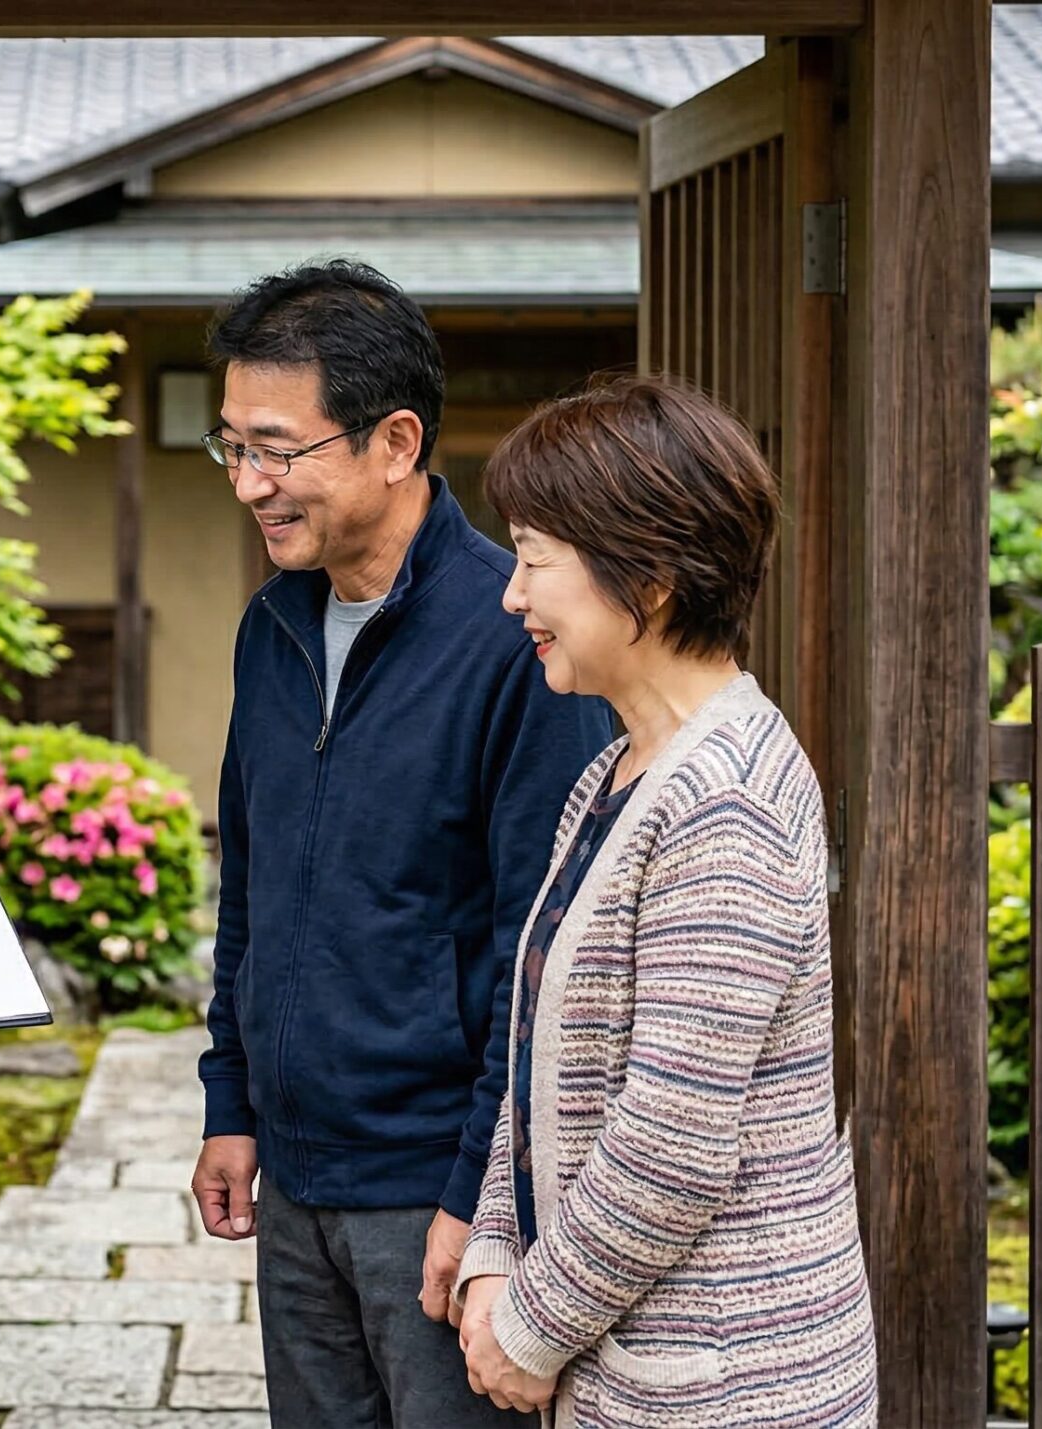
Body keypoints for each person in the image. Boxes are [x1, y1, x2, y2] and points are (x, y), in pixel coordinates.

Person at [190, 259, 615, 1427]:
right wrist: (230, 1103)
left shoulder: (517, 637)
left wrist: (478, 1197)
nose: (249, 483)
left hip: (435, 1188)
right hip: (293, 1182)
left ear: (394, 442)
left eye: (277, 450)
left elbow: (546, 955)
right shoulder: (271, 625)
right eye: (231, 446)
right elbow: (249, 887)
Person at [453, 375, 877, 1426]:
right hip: (641, 1363)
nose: (512, 596)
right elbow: (542, 1056)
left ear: (645, 577)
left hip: (729, 1384)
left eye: (535, 559)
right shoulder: (618, 771)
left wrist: (527, 1327)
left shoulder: (726, 797)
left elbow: (671, 1146)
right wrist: (494, 1248)